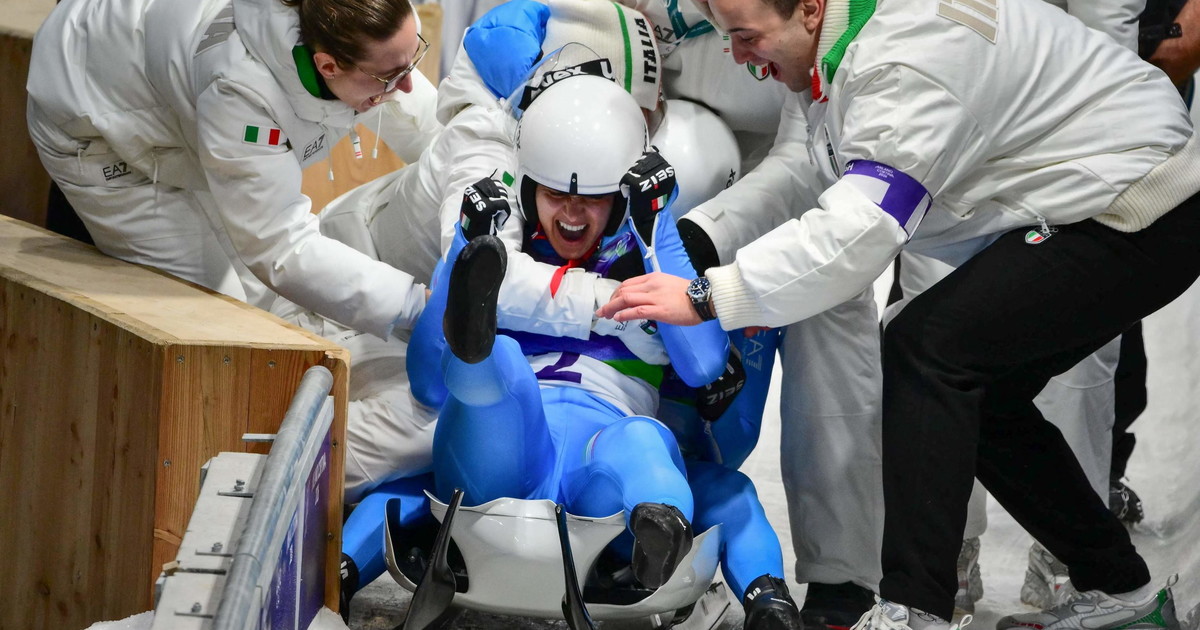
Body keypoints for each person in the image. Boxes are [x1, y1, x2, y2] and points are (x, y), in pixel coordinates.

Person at [597, 0, 1200, 628]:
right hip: (1096, 194)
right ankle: (1120, 591)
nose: (738, 56)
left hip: (1140, 202)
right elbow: (811, 165)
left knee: (927, 349)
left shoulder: (904, 58)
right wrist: (701, 240)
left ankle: (914, 611)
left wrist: (708, 297)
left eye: (746, 37)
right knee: (976, 386)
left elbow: (861, 229)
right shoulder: (841, 42)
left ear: (808, 9)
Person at [465, 3, 885, 627]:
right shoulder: (533, 159)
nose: (575, 213)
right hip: (537, 398)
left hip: (738, 194)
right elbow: (498, 41)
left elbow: (807, 164)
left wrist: (680, 251)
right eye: (559, 192)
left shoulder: (676, 196)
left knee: (812, 326)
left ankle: (844, 576)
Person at [408, 72, 803, 628]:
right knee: (501, 371)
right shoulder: (506, 258)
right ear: (526, 188)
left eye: (591, 198)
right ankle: (478, 348)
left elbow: (706, 367)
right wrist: (465, 251)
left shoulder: (663, 263)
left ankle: (668, 529)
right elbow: (426, 385)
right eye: (554, 194)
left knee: (642, 441)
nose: (571, 215)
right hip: (507, 456)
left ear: (626, 197)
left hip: (606, 466)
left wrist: (659, 232)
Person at [26, 0, 440, 340]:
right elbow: (278, 245)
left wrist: (463, 166)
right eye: (389, 76)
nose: (405, 85)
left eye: (411, 60)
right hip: (89, 112)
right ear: (327, 66)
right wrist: (416, 305)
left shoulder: (340, 25)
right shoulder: (241, 90)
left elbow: (415, 108)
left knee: (264, 300)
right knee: (217, 322)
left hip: (158, 73)